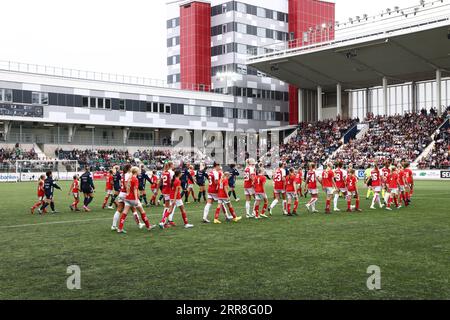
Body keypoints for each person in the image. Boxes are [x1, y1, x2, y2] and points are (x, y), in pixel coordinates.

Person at [117, 166, 156, 234]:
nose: (140, 172)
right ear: (136, 172)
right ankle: (148, 226)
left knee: (124, 213)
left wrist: (128, 195)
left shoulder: (129, 178)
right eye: (139, 171)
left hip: (127, 198)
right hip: (133, 198)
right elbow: (135, 190)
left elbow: (127, 189)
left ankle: (120, 228)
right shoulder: (135, 179)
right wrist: (136, 199)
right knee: (142, 212)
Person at [112, 164, 143, 231]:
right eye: (131, 167)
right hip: (126, 194)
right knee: (134, 209)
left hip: (121, 193)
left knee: (119, 209)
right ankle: (139, 224)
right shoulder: (128, 175)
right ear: (129, 168)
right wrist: (131, 193)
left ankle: (114, 226)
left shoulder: (124, 174)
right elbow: (127, 185)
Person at [160, 161, 176, 227]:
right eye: (173, 164)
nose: (174, 165)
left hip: (164, 190)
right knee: (172, 205)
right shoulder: (171, 172)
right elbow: (173, 181)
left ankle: (167, 220)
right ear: (171, 165)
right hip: (170, 190)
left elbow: (161, 181)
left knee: (167, 206)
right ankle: (166, 221)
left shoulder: (163, 172)